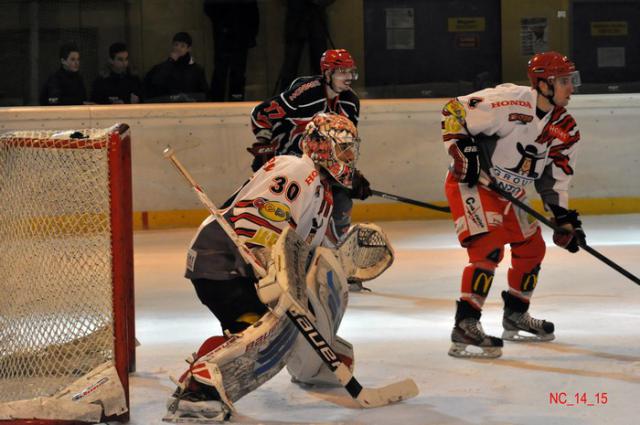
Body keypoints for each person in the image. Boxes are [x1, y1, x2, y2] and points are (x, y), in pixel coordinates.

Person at [164, 113, 363, 422]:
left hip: (239, 267)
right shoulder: (298, 169)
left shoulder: (322, 191)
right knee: (261, 336)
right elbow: (256, 218)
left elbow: (306, 253)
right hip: (222, 258)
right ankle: (198, 390)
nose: (350, 156)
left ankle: (204, 376)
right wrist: (271, 266)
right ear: (324, 147)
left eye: (352, 149)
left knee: (253, 332)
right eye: (344, 148)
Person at [441, 51, 584, 358]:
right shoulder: (508, 102)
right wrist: (464, 151)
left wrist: (563, 218)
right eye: (563, 81)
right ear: (543, 84)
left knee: (533, 248)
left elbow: (555, 178)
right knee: (487, 250)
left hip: (512, 193)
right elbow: (453, 110)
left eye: (571, 80)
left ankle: (515, 314)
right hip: (474, 186)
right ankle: (465, 325)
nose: (570, 87)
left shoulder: (566, 129)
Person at [248, 49, 371, 258]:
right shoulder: (306, 91)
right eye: (342, 71)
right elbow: (261, 114)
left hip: (323, 169)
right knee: (288, 213)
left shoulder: (351, 102)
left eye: (351, 72)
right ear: (327, 73)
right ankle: (270, 257)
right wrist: (264, 146)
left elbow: (345, 146)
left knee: (341, 203)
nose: (349, 77)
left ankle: (333, 259)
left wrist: (351, 176)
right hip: (290, 167)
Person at [203, 0, 259, 101]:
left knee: (236, 71)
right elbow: (208, 7)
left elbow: (253, 11)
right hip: (228, 33)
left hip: (237, 33)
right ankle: (219, 100)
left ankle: (232, 99)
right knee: (222, 70)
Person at [278, 0, 334, 91]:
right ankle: (284, 100)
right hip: (296, 15)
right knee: (290, 65)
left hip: (316, 15)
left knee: (320, 64)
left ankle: (323, 98)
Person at [143, 32, 208, 102]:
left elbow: (204, 94)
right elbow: (155, 83)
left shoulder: (197, 70)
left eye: (182, 46)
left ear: (189, 49)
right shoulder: (163, 67)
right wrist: (170, 62)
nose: (178, 48)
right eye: (176, 45)